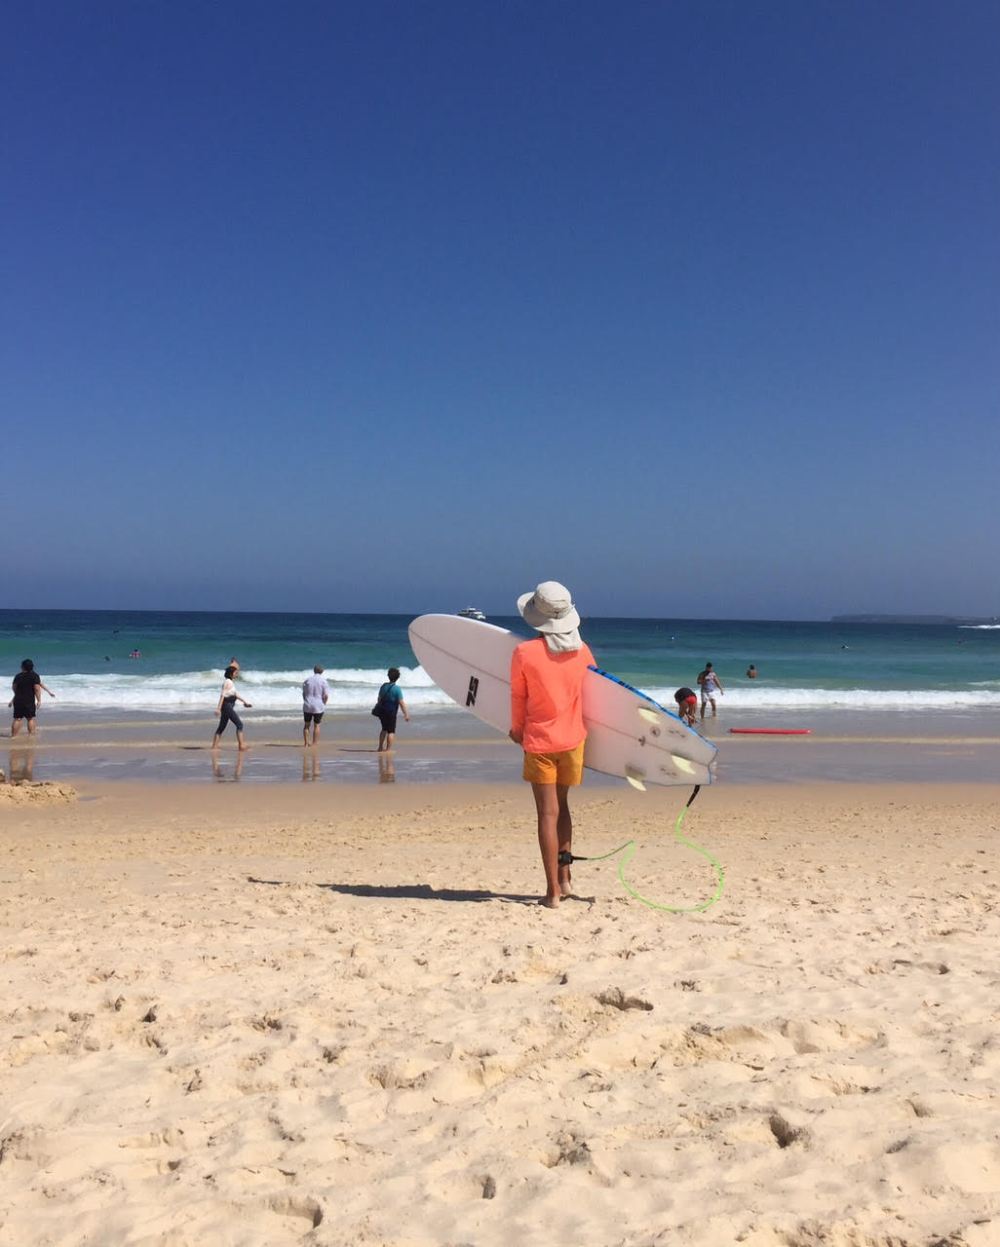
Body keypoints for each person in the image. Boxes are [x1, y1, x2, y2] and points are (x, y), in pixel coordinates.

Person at [510, 581, 596, 909]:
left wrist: (517, 730)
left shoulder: (524, 653)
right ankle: (566, 879)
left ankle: (552, 894)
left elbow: (518, 696)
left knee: (547, 813)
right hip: (573, 741)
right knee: (563, 806)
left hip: (541, 742)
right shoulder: (583, 651)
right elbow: (595, 691)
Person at [9, 660, 55, 737]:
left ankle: (13, 736)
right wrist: (39, 700)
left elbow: (14, 687)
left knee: (17, 718)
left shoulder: (18, 676)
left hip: (18, 700)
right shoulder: (34, 676)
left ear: (23, 667)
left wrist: (17, 695)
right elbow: (37, 689)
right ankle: (31, 736)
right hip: (29, 700)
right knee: (30, 718)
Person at [212, 665, 252, 751]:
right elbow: (222, 695)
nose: (237, 674)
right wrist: (218, 708)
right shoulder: (228, 682)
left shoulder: (230, 682)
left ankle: (214, 747)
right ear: (231, 674)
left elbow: (235, 694)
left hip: (228, 705)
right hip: (227, 706)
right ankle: (241, 746)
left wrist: (245, 702)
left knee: (222, 726)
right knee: (239, 724)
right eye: (235, 673)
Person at [374, 667, 410, 752]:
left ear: (388, 676)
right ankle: (388, 749)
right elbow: (401, 703)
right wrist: (406, 714)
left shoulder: (383, 686)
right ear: (397, 678)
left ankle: (380, 747)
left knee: (384, 729)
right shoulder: (397, 689)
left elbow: (379, 698)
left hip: (383, 711)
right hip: (391, 712)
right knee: (391, 731)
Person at [302, 664, 329, 747]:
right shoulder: (324, 681)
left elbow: (304, 694)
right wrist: (324, 703)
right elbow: (325, 695)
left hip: (308, 704)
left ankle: (306, 744)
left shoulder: (307, 680)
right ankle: (314, 743)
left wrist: (306, 701)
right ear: (322, 671)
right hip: (318, 705)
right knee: (316, 725)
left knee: (306, 725)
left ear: (314, 671)